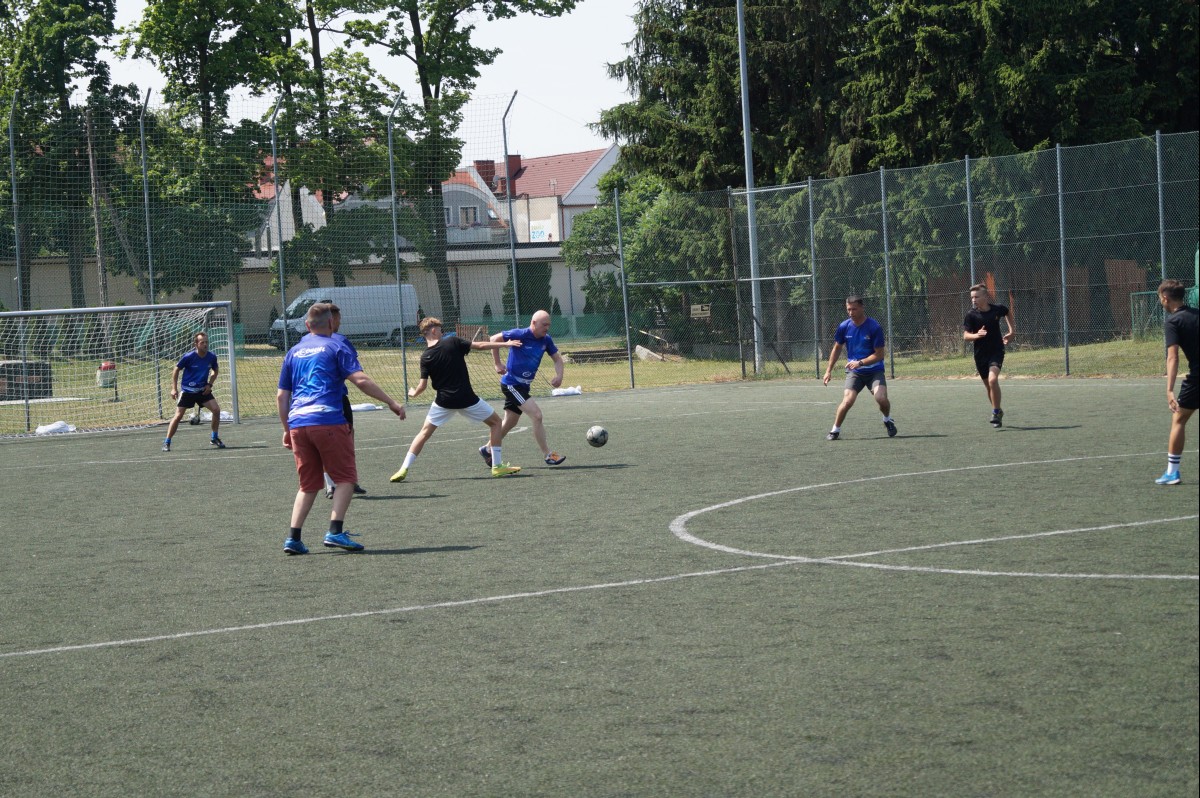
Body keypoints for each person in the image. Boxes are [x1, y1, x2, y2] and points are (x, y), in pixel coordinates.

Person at [277, 302, 406, 555]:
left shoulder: (293, 352)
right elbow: (360, 379)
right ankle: (335, 531)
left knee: (307, 485)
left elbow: (282, 396)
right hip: (328, 419)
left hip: (298, 423)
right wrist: (390, 402)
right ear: (330, 323)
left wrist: (286, 428)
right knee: (346, 479)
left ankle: (293, 538)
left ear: (307, 325)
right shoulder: (336, 345)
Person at [390, 317, 524, 482]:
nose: (442, 332)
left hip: (443, 402)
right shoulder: (452, 341)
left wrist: (413, 393)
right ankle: (497, 466)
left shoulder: (425, 356)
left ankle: (403, 469)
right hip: (466, 399)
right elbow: (480, 345)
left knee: (423, 433)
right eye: (440, 329)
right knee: (496, 423)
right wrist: (505, 344)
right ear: (433, 330)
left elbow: (422, 386)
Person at [482, 309, 567, 468]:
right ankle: (548, 455)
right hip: (511, 384)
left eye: (548, 325)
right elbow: (493, 339)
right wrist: (497, 363)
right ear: (533, 323)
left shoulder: (546, 340)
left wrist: (559, 376)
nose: (547, 328)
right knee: (537, 415)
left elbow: (557, 359)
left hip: (523, 386)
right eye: (544, 324)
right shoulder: (520, 334)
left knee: (510, 422)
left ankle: (487, 449)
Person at [822, 295, 897, 440]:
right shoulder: (844, 327)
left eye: (854, 309)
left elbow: (879, 355)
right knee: (847, 400)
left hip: (874, 371)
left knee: (881, 398)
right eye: (848, 309)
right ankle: (835, 430)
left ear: (862, 308)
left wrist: (860, 362)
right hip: (855, 372)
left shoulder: (874, 327)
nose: (851, 312)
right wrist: (828, 370)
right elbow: (837, 348)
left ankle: (887, 420)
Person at [1155, 279, 1198, 485]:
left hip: (1197, 379)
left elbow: (1173, 357)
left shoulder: (1173, 322)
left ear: (1165, 298)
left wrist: (1169, 390)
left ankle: (1172, 473)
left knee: (1179, 420)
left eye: (1160, 299)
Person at [324, 306, 368, 500]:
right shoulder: (340, 341)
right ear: (332, 320)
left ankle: (331, 484)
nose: (340, 322)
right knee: (346, 438)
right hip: (336, 399)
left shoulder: (305, 342)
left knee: (325, 443)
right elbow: (355, 372)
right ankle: (346, 480)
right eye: (338, 318)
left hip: (308, 403)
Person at [963, 282, 1015, 427]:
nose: (974, 300)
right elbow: (966, 336)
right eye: (972, 297)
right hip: (980, 355)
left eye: (977, 297)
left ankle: (996, 412)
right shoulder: (971, 315)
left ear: (985, 297)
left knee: (993, 380)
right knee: (988, 387)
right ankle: (997, 410)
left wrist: (1012, 331)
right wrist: (977, 335)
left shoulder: (997, 309)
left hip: (996, 351)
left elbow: (1007, 312)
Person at [163, 331, 225, 451]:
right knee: (178, 416)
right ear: (196, 344)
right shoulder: (188, 357)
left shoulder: (211, 357)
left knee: (216, 410)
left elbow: (215, 370)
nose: (205, 345)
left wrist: (209, 384)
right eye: (202, 342)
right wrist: (174, 388)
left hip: (202, 391)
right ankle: (167, 442)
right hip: (188, 391)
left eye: (206, 342)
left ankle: (214, 437)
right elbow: (176, 370)